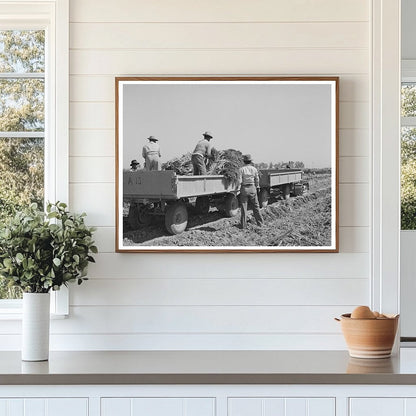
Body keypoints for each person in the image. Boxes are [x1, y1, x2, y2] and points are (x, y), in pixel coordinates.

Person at [237, 154, 264, 229]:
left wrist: (238, 189)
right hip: (252, 188)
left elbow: (240, 180)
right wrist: (257, 186)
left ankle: (243, 225)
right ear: (250, 161)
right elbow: (257, 179)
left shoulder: (241, 169)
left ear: (244, 161)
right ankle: (260, 223)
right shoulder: (254, 169)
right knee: (256, 206)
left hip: (244, 189)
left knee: (243, 208)